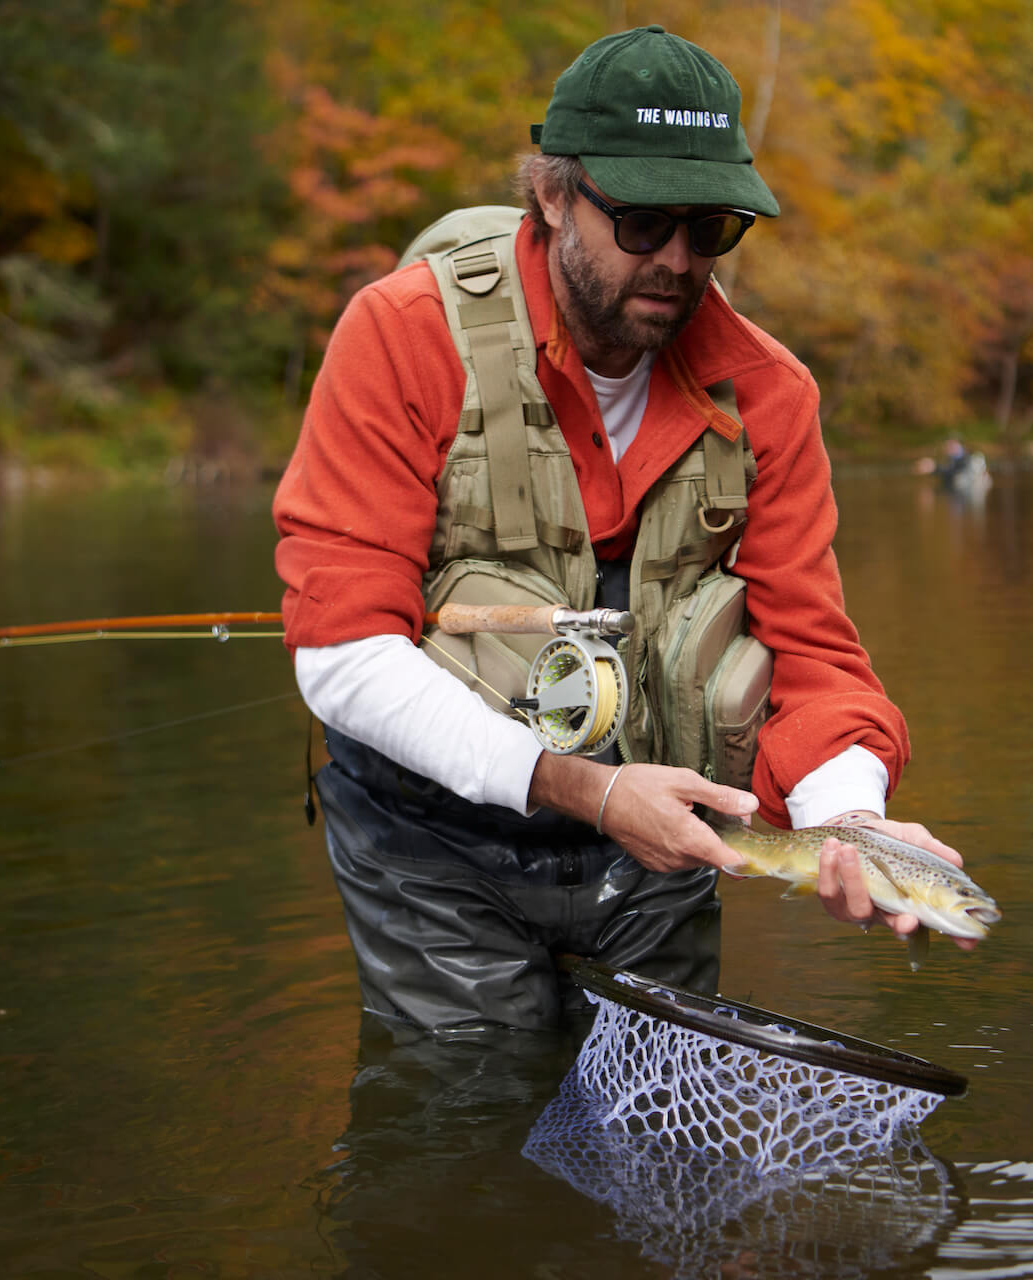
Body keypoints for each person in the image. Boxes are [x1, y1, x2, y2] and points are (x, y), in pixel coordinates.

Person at [272, 25, 973, 1037]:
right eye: (643, 223)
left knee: (656, 1144)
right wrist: (589, 791)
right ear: (555, 194)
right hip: (428, 847)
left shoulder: (770, 394)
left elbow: (815, 658)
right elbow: (342, 655)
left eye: (712, 229)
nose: (679, 261)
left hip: (663, 843)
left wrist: (849, 818)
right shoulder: (400, 336)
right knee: (469, 1118)